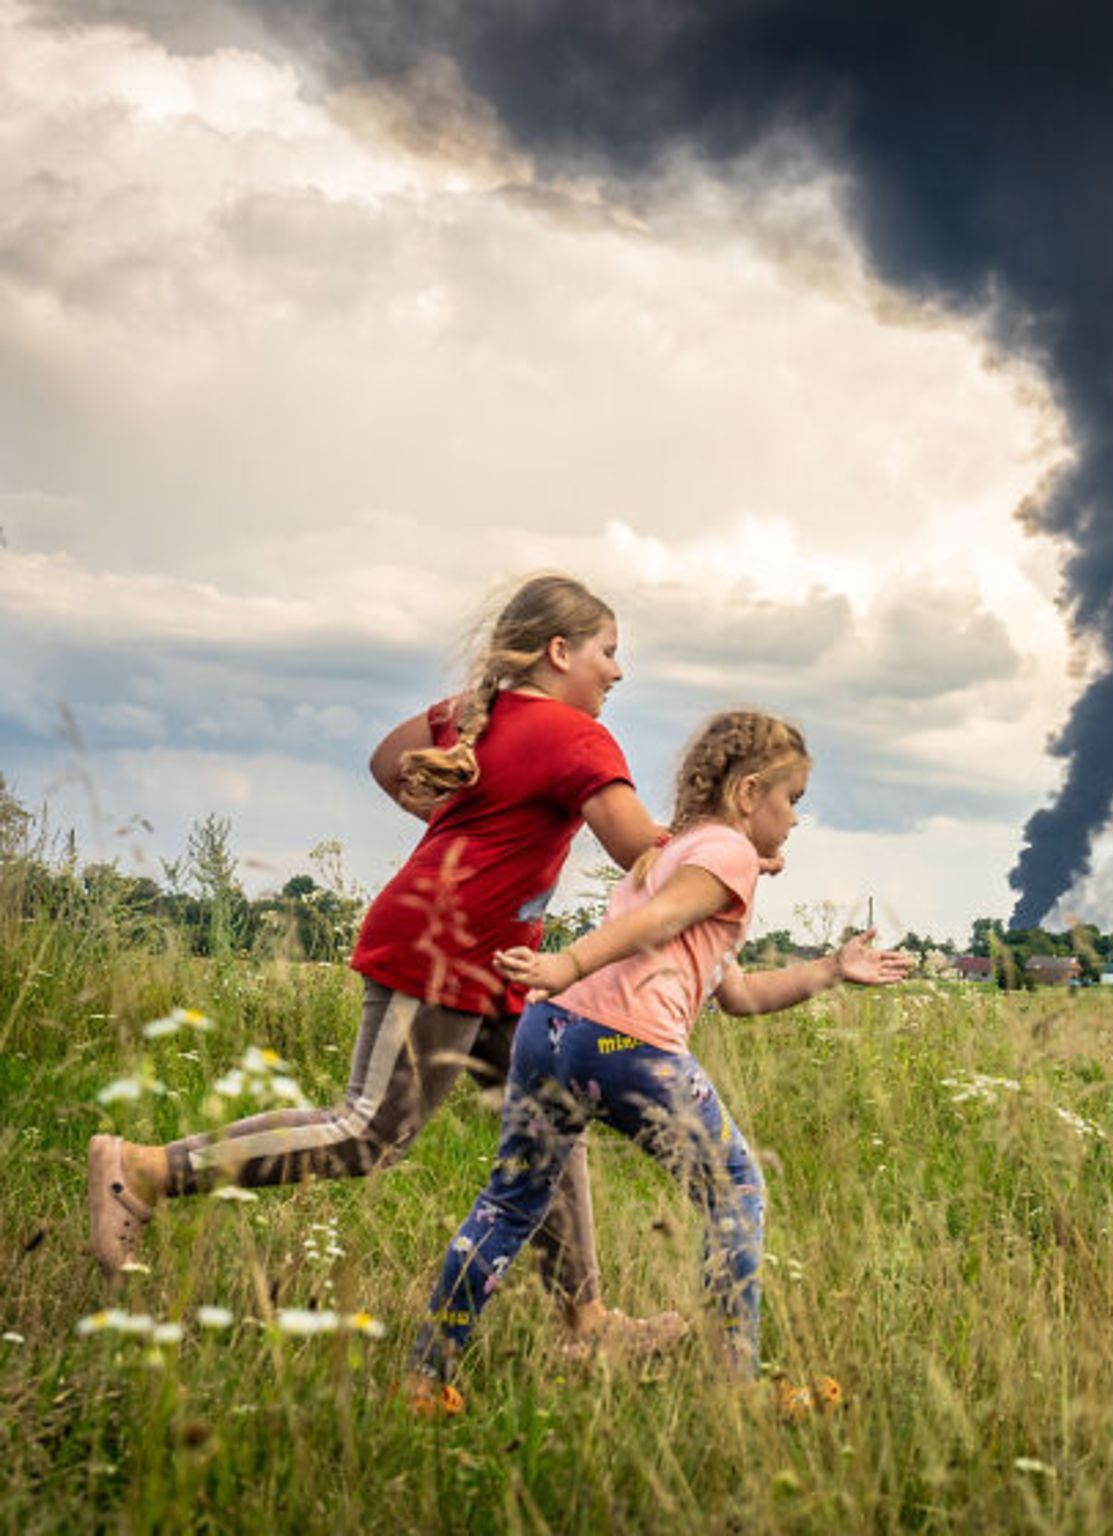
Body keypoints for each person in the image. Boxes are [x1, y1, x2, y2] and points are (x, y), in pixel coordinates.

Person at [89, 574, 680, 1352]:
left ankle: (586, 1323)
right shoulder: (577, 737)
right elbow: (641, 853)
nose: (617, 671)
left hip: (498, 967)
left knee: (551, 1121)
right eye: (609, 651)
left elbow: (386, 759)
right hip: (436, 952)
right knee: (368, 1132)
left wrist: (456, 822)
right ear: (560, 651)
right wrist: (729, 846)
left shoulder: (481, 714)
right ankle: (146, 1170)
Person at [405, 709, 910, 1411]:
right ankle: (735, 1391)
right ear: (748, 793)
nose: (794, 822)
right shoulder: (724, 856)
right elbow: (659, 921)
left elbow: (736, 995)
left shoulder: (677, 851)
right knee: (736, 1191)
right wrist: (567, 960)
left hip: (551, 1030)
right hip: (621, 1042)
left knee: (512, 1201)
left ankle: (426, 1377)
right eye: (791, 801)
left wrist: (831, 967)